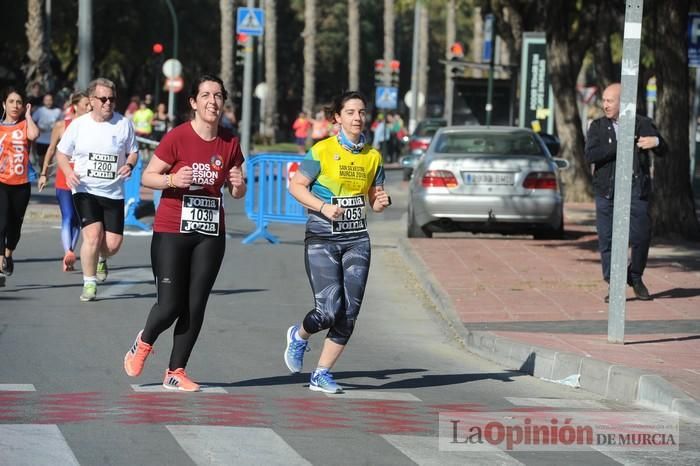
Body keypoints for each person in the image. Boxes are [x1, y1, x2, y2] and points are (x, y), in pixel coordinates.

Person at [123, 74, 246, 392]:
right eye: (205, 95)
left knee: (196, 305)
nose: (212, 101)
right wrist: (172, 181)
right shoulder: (178, 137)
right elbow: (148, 176)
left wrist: (237, 184)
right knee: (169, 305)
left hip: (209, 232)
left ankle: (176, 370)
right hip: (171, 230)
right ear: (193, 102)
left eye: (218, 95)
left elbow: (237, 190)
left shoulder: (230, 141)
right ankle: (144, 340)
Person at [283, 91, 391, 394]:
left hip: (357, 239)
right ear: (338, 118)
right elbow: (296, 186)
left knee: (349, 313)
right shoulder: (321, 151)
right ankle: (299, 336)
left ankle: (321, 373)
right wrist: (322, 207)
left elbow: (375, 198)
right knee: (328, 310)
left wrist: (380, 201)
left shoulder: (373, 157)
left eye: (361, 112)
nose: (357, 118)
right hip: (322, 237)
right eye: (351, 112)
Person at [55, 78, 139, 302]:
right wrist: (68, 172)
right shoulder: (79, 125)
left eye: (112, 98)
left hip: (113, 192)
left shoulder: (123, 124)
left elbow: (134, 151)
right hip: (85, 189)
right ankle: (89, 283)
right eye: (103, 99)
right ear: (91, 100)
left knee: (112, 245)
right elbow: (61, 153)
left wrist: (129, 164)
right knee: (92, 236)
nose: (108, 103)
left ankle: (103, 258)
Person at [584, 82, 667, 302]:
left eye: (610, 100)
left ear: (624, 102)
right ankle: (614, 284)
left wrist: (655, 141)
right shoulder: (598, 127)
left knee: (641, 234)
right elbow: (591, 155)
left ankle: (635, 276)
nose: (605, 105)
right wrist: (620, 144)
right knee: (607, 239)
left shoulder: (642, 123)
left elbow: (663, 148)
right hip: (607, 191)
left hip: (635, 189)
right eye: (603, 100)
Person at [38, 91, 92, 272]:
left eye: (90, 104)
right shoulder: (62, 125)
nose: (89, 107)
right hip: (64, 177)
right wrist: (44, 173)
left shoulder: (93, 126)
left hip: (85, 179)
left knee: (78, 219)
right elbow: (51, 149)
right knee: (68, 215)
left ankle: (69, 254)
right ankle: (68, 251)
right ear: (75, 105)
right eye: (86, 104)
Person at [0, 87, 40, 287]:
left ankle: (8, 254)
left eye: (19, 102)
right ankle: (0, 264)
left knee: (14, 226)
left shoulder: (25, 125)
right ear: (4, 105)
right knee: (1, 222)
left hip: (21, 183)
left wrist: (29, 115)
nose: (15, 105)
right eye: (11, 102)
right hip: (1, 182)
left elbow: (34, 135)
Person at [32, 93, 63, 170]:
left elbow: (63, 122)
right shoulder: (39, 111)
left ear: (52, 101)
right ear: (43, 101)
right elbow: (32, 121)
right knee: (41, 160)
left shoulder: (58, 111)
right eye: (47, 100)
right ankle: (42, 172)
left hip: (52, 140)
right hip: (41, 139)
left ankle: (46, 175)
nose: (48, 102)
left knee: (50, 160)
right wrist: (38, 128)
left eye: (50, 100)